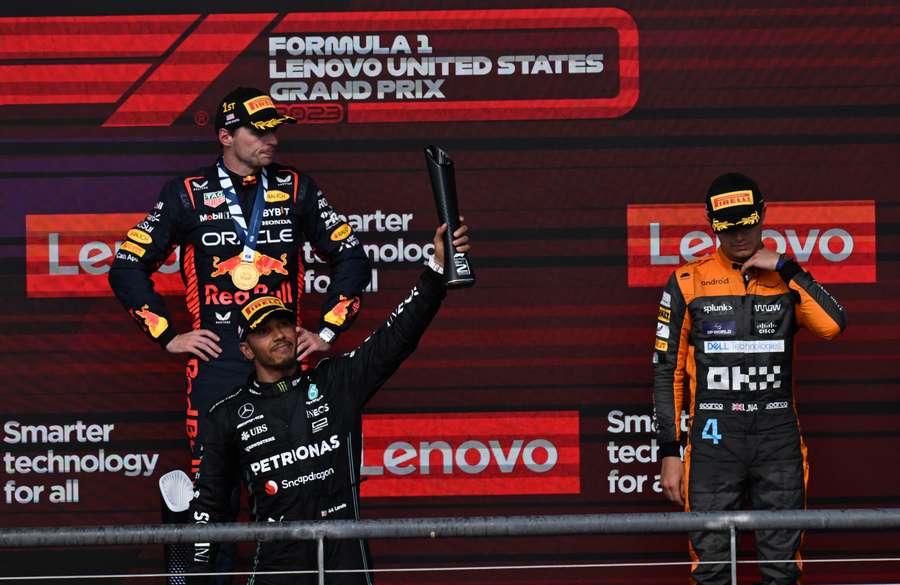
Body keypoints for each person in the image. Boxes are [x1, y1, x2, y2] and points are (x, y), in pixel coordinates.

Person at [108, 87, 372, 582]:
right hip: (217, 367)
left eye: (276, 129)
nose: (272, 139)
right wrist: (167, 333)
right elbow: (126, 266)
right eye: (260, 130)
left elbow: (352, 256)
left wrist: (330, 329)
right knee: (214, 500)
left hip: (285, 370)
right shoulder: (186, 194)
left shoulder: (297, 189)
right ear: (226, 135)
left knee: (298, 489)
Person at [187, 222, 470, 585]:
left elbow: (396, 337)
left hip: (345, 558)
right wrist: (195, 576)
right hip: (279, 564)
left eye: (283, 324)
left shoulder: (335, 381)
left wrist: (436, 268)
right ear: (245, 349)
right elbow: (209, 509)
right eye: (263, 330)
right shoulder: (225, 415)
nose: (278, 336)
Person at [652, 173, 847, 584]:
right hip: (713, 438)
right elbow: (667, 369)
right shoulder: (688, 280)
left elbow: (831, 326)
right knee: (711, 568)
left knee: (782, 567)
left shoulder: (785, 277)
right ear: (711, 223)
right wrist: (671, 450)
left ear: (763, 215)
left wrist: (785, 268)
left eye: (747, 221)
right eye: (727, 226)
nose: (739, 234)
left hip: (777, 436)